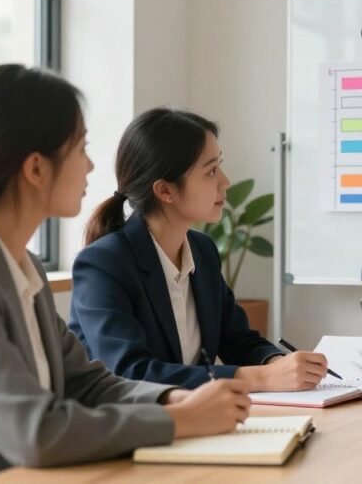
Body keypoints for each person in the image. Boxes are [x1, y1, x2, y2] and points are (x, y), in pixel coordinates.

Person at [0, 65, 250, 483]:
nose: (92, 165)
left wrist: (175, 397)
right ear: (36, 169)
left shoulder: (24, 269)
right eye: (81, 148)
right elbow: (36, 432)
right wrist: (181, 421)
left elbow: (90, 385)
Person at [69, 108, 327, 390]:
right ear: (165, 191)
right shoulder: (103, 264)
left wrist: (276, 363)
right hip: (132, 426)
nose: (225, 181)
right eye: (211, 171)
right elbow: (131, 372)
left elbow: (238, 340)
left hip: (192, 417)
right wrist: (260, 378)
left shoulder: (202, 251)